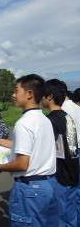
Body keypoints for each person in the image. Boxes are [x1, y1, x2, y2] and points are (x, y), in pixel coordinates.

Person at [0, 74, 58, 226]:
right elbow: (31, 146)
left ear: (29, 94)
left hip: (30, 188)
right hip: (49, 184)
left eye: (16, 90)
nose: (13, 95)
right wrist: (1, 141)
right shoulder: (44, 119)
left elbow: (22, 164)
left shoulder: (23, 123)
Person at [42, 79, 79, 226]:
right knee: (70, 214)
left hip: (60, 175)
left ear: (50, 96)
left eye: (43, 94)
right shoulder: (66, 116)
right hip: (73, 169)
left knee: (57, 216)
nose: (41, 98)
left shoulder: (50, 120)